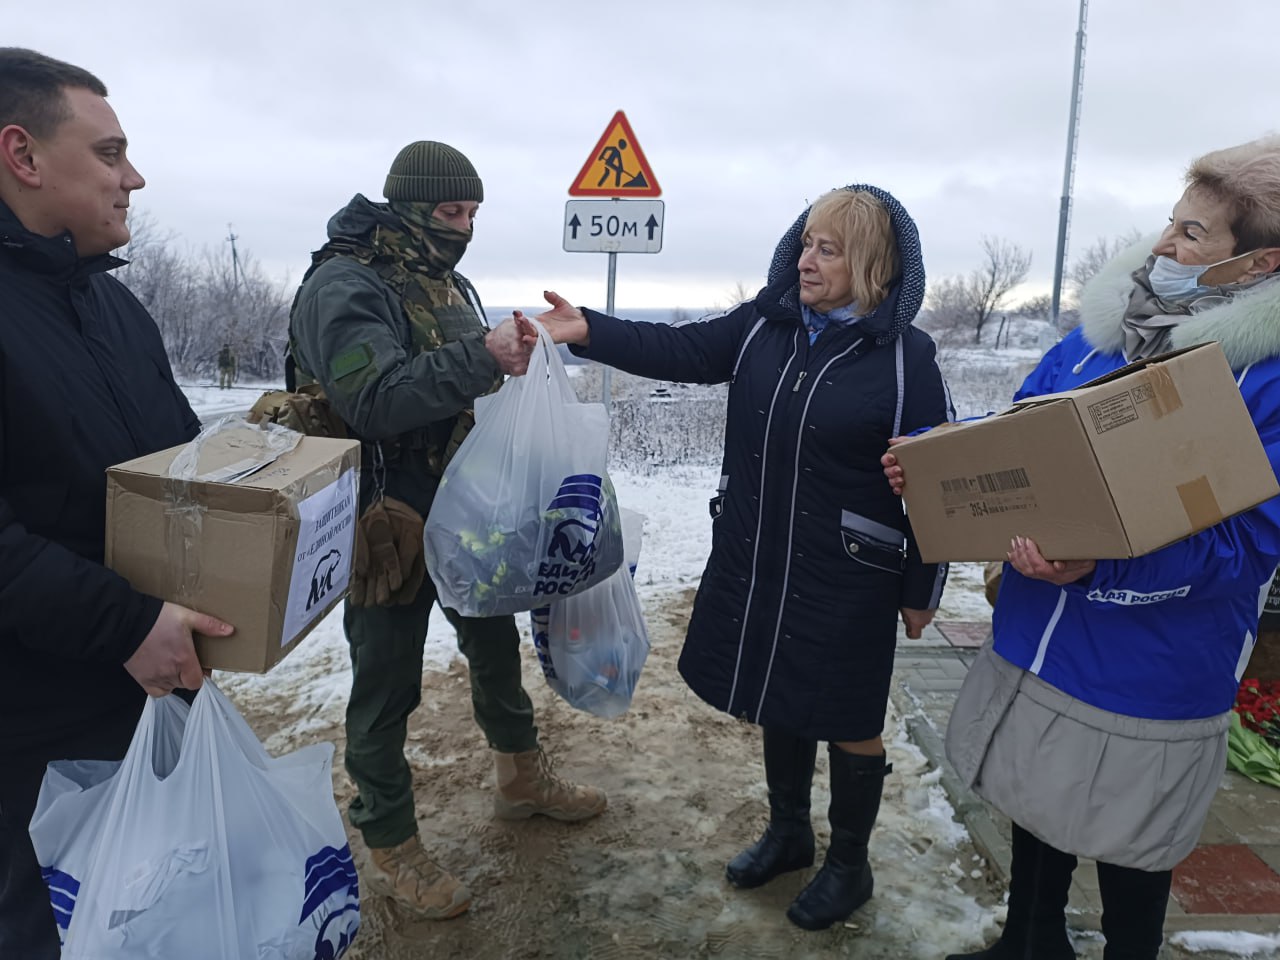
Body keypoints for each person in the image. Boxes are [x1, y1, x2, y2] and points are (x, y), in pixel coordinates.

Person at [883, 135, 1280, 960]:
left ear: (1257, 264)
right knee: (1036, 806)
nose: (1164, 244)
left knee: (1133, 844)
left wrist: (1105, 561)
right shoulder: (1104, 336)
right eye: (1171, 222)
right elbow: (1019, 430)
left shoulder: (1264, 383)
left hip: (1148, 670)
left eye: (1193, 234)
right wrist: (936, 455)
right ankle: (1028, 944)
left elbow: (1249, 547)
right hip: (1037, 634)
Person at [533, 184, 953, 930]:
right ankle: (789, 832)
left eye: (829, 249)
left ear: (871, 265)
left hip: (849, 573)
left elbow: (939, 481)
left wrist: (924, 586)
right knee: (779, 694)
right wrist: (589, 329)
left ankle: (849, 865)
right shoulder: (766, 325)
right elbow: (682, 348)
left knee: (849, 713)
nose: (807, 260)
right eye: (806, 243)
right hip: (759, 554)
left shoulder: (905, 359)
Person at [287, 141, 607, 922]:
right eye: (449, 211)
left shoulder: (441, 277)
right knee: (386, 681)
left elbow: (462, 379)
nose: (463, 227)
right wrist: (483, 355)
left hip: (464, 508)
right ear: (407, 207)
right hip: (386, 517)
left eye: (472, 213)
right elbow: (373, 401)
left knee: (494, 647)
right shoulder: (345, 283)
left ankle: (520, 779)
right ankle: (389, 839)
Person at [0, 48, 234, 957]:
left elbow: (180, 468)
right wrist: (127, 623)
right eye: (109, 154)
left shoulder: (112, 307)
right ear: (22, 155)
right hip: (31, 738)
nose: (133, 179)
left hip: (145, 698)